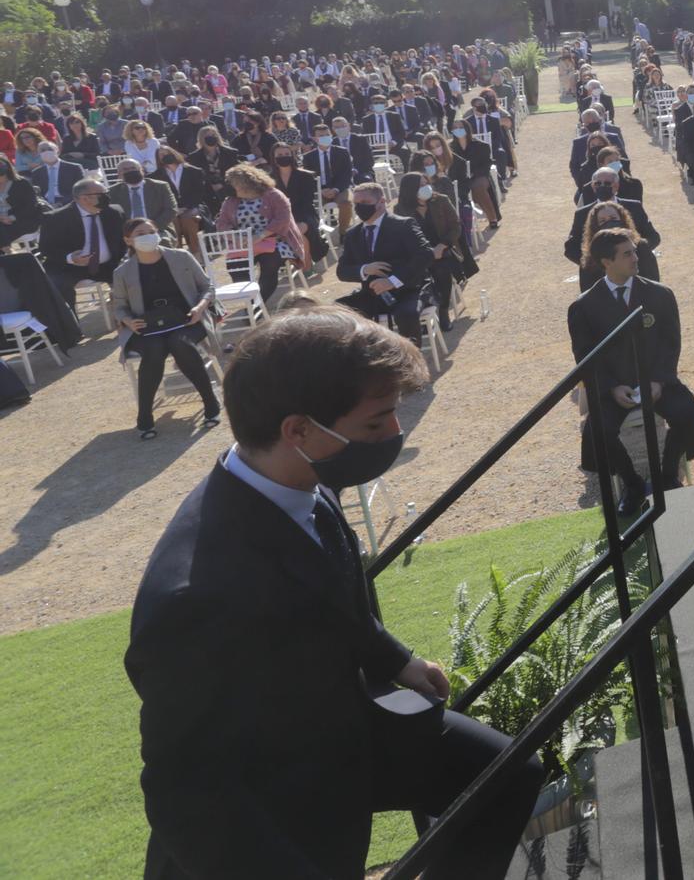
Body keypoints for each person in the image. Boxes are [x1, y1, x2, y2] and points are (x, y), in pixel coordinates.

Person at [124, 307, 543, 879]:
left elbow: (332, 597)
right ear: (298, 430)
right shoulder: (196, 597)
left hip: (338, 730)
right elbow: (188, 791)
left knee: (506, 773)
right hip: (272, 810)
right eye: (376, 424)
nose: (395, 435)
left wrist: (398, 661)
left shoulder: (299, 484)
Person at [567, 227, 694, 511]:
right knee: (599, 432)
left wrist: (659, 381)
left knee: (685, 411)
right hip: (615, 388)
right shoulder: (584, 307)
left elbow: (671, 344)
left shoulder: (659, 295)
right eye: (627, 254)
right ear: (607, 262)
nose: (636, 258)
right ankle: (631, 485)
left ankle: (667, 475)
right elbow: (585, 357)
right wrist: (610, 388)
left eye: (635, 251)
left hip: (657, 382)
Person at [110, 218, 223, 440]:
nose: (147, 237)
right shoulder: (123, 271)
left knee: (179, 343)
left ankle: (210, 400)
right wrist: (128, 321)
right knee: (154, 349)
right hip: (146, 326)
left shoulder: (180, 256)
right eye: (140, 233)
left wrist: (200, 308)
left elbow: (207, 286)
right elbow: (119, 306)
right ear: (128, 240)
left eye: (151, 231)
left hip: (188, 320)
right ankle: (144, 414)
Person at [337, 181, 431, 340]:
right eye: (356, 203)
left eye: (365, 202)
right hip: (371, 294)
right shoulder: (353, 234)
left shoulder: (403, 224)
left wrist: (393, 281)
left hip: (408, 289)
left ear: (381, 202)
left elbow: (425, 255)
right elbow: (342, 271)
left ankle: (410, 360)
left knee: (406, 314)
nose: (359, 207)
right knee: (336, 313)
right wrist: (364, 269)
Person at [216, 163, 308, 303]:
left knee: (270, 263)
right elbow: (221, 223)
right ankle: (251, 300)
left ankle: (258, 305)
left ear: (245, 183)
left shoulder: (274, 195)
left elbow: (282, 219)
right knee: (235, 266)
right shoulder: (230, 201)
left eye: (232, 183)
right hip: (244, 243)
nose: (228, 186)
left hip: (275, 240)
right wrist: (234, 236)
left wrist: (258, 236)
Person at [40, 176, 125, 319]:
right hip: (70, 268)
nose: (107, 197)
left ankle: (133, 319)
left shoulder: (114, 212)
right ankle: (70, 328)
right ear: (84, 198)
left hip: (109, 265)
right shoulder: (56, 218)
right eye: (103, 194)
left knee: (137, 274)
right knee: (57, 286)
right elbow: (46, 248)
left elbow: (124, 240)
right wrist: (70, 258)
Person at [395, 173, 469, 330]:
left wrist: (442, 246)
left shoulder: (440, 200)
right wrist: (425, 253)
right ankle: (421, 310)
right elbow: (401, 237)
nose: (425, 187)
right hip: (418, 253)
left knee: (441, 269)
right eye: (420, 185)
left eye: (425, 183)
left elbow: (456, 227)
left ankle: (443, 311)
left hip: (444, 249)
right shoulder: (400, 209)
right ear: (410, 190)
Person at [574, 200, 660, 291]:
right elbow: (587, 291)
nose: (609, 223)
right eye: (603, 221)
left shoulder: (641, 248)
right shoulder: (590, 256)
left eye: (613, 218)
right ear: (595, 226)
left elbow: (653, 281)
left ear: (622, 220)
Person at [0, 155, 45, 249]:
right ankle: (7, 251)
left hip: (22, 220)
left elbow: (31, 207)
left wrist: (12, 217)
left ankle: (6, 253)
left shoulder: (22, 183)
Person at [26, 138, 83, 207]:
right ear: (39, 154)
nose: (46, 152)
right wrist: (45, 205)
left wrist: (61, 203)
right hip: (45, 205)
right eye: (43, 150)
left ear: (57, 152)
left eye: (50, 149)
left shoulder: (74, 168)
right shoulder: (36, 172)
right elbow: (36, 194)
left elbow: (80, 190)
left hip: (68, 203)